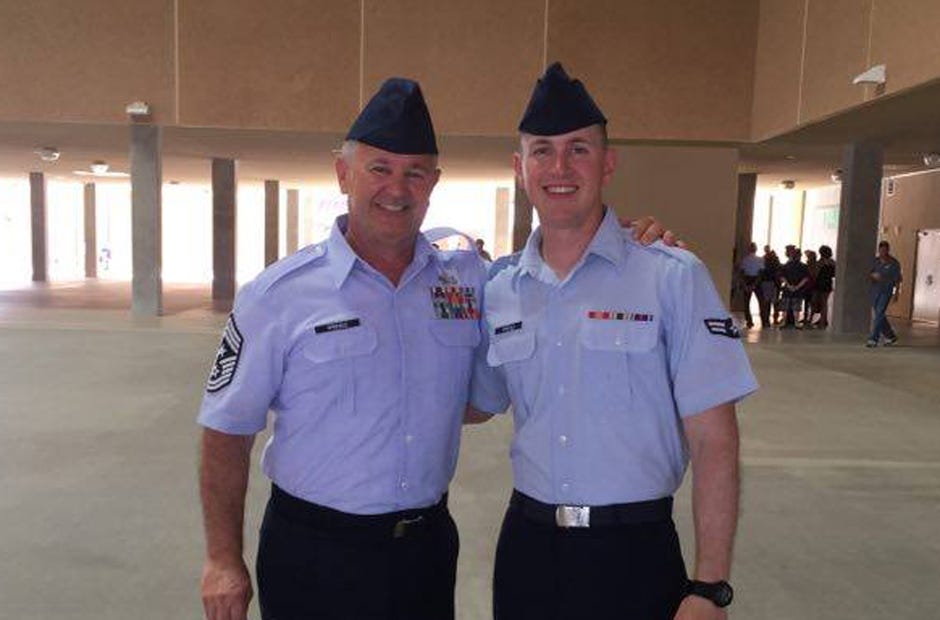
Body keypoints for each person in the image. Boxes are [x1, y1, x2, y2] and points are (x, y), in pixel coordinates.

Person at [197, 77, 679, 620]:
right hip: (315, 553)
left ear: (434, 183)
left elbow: (541, 292)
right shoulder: (278, 295)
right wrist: (222, 557)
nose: (396, 189)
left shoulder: (469, 279)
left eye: (415, 173)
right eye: (379, 168)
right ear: (342, 174)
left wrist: (637, 245)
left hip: (423, 554)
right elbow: (226, 427)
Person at [467, 62, 758, 620]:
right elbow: (476, 405)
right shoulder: (500, 288)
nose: (559, 166)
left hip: (635, 552)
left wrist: (709, 587)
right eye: (542, 150)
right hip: (527, 549)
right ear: (519, 168)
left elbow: (715, 441)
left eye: (579, 149)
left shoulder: (671, 276)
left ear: (608, 164)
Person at [867, 240, 902, 347]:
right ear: (879, 250)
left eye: (885, 250)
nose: (883, 252)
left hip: (886, 291)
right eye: (881, 250)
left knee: (879, 313)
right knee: (879, 315)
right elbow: (869, 273)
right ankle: (891, 337)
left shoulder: (894, 263)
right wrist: (873, 275)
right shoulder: (875, 261)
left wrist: (896, 293)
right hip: (874, 291)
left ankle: (873, 339)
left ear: (888, 250)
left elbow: (897, 280)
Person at [779, 245, 809, 328]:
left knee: (785, 307)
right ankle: (796, 323)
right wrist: (797, 287)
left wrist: (788, 285)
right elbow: (805, 278)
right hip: (798, 290)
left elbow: (782, 277)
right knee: (796, 307)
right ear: (800, 256)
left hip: (787, 289)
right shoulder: (803, 266)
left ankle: (783, 322)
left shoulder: (786, 265)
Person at [738, 241, 764, 328]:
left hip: (747, 279)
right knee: (761, 301)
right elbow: (760, 273)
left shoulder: (745, 259)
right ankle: (764, 320)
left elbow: (741, 273)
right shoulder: (760, 259)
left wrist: (745, 284)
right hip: (756, 279)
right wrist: (755, 284)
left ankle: (749, 321)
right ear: (756, 249)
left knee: (746, 302)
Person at [813, 245, 836, 328]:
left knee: (820, 302)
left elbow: (816, 273)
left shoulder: (820, 262)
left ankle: (822, 321)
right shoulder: (833, 262)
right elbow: (834, 274)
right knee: (824, 303)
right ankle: (823, 320)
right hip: (827, 284)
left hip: (819, 284)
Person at [760, 246, 781, 326]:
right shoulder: (774, 259)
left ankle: (769, 320)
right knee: (773, 303)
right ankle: (772, 319)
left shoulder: (764, 259)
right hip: (772, 283)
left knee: (769, 302)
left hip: (768, 282)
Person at [802, 249, 818, 326]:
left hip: (810, 285)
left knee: (809, 302)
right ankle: (808, 318)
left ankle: (808, 318)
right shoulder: (815, 264)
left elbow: (811, 274)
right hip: (811, 285)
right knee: (809, 302)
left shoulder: (811, 264)